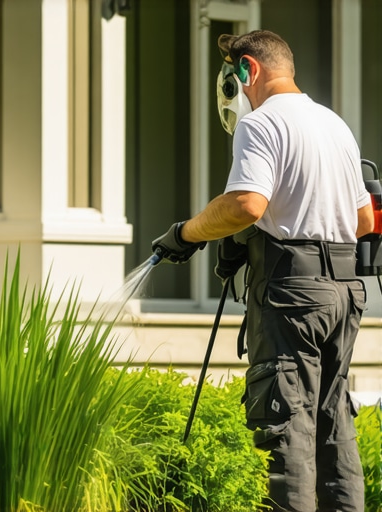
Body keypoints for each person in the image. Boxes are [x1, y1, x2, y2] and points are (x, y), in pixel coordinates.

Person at [151, 30, 374, 512]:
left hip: (292, 292)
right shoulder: (335, 124)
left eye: (233, 78)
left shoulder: (262, 124)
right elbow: (362, 220)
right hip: (344, 289)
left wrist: (186, 234)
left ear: (247, 70)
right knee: (332, 419)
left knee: (286, 420)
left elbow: (246, 204)